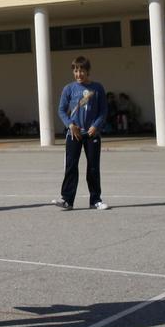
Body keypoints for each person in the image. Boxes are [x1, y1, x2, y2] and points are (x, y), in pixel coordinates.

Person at [52, 56, 109, 211]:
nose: (79, 74)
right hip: (74, 134)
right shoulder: (68, 89)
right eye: (76, 71)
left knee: (93, 167)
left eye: (82, 70)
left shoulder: (97, 88)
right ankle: (67, 200)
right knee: (71, 166)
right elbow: (61, 110)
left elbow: (103, 110)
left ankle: (95, 200)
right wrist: (70, 125)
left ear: (88, 71)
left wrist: (96, 126)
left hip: (92, 135)